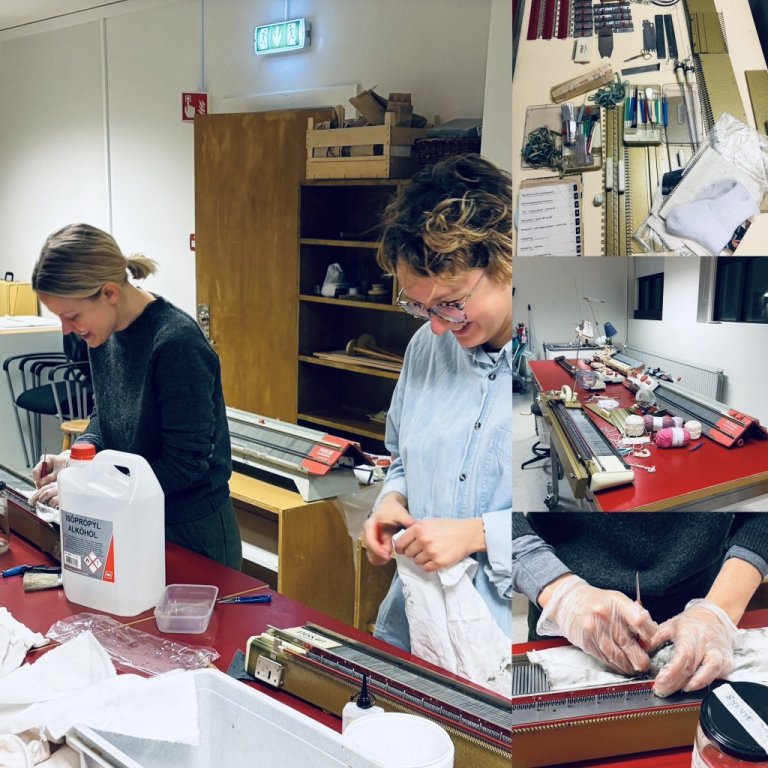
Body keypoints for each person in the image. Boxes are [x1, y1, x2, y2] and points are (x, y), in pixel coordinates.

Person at [361, 154, 513, 655]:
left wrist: (478, 534)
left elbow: (582, 527)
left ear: (506, 261)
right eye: (420, 306)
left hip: (505, 637)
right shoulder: (427, 349)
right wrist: (391, 501)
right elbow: (403, 457)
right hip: (418, 623)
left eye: (451, 302)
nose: (439, 325)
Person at [29, 223, 242, 569]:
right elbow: (106, 412)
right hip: (131, 514)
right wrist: (78, 458)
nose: (67, 330)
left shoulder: (176, 344)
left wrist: (92, 487)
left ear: (110, 293)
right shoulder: (103, 331)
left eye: (72, 316)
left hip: (187, 530)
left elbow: (184, 465)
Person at [513, 512, 768, 697]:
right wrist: (563, 596)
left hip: (705, 600)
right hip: (563, 615)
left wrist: (715, 613)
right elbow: (490, 510)